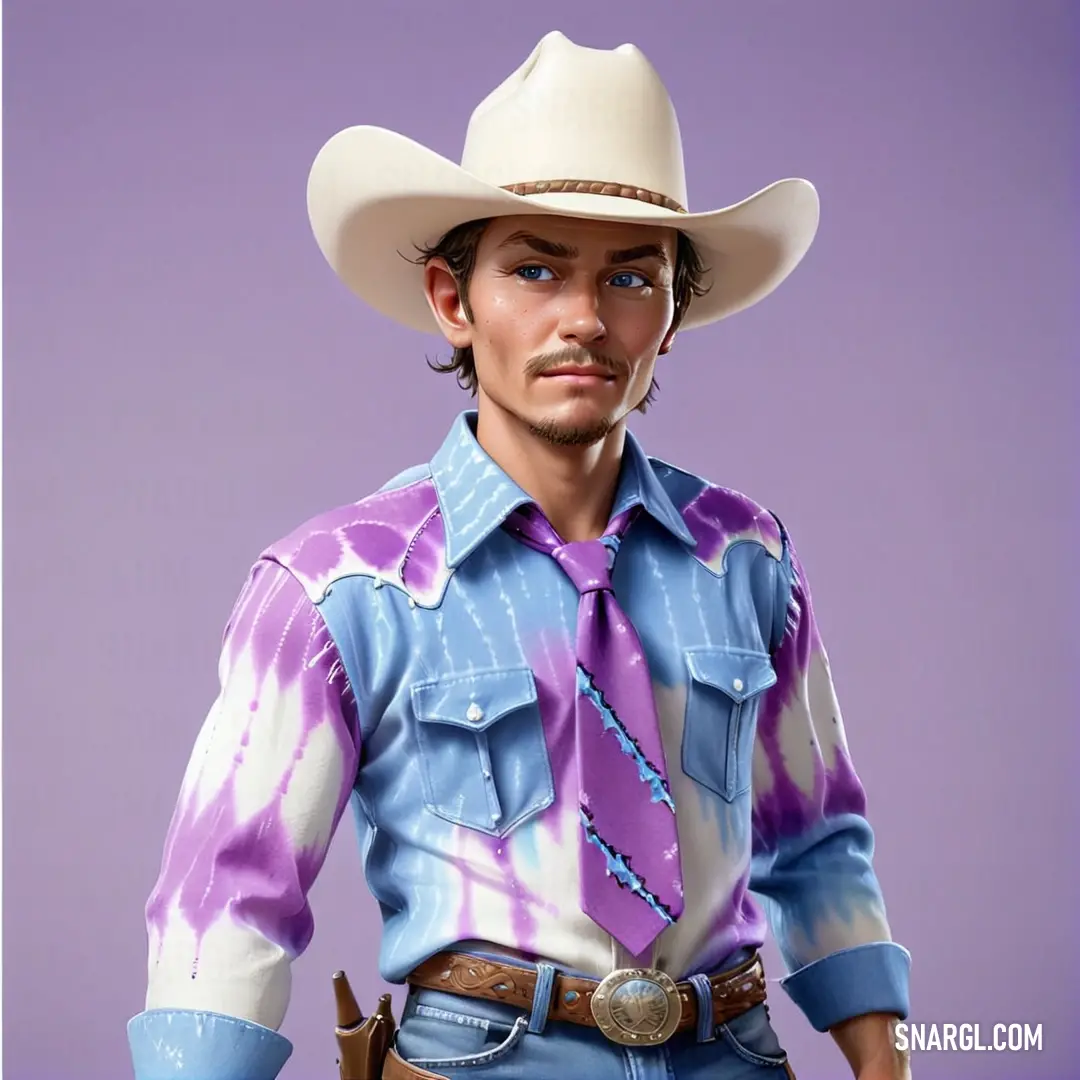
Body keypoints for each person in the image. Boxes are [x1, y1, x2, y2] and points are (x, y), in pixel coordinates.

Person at [127, 30, 911, 1080]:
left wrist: (884, 1063)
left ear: (674, 315)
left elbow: (817, 840)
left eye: (631, 278)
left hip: (732, 1051)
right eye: (534, 268)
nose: (584, 319)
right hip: (480, 1059)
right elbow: (229, 894)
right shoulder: (337, 587)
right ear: (454, 302)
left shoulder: (748, 560)